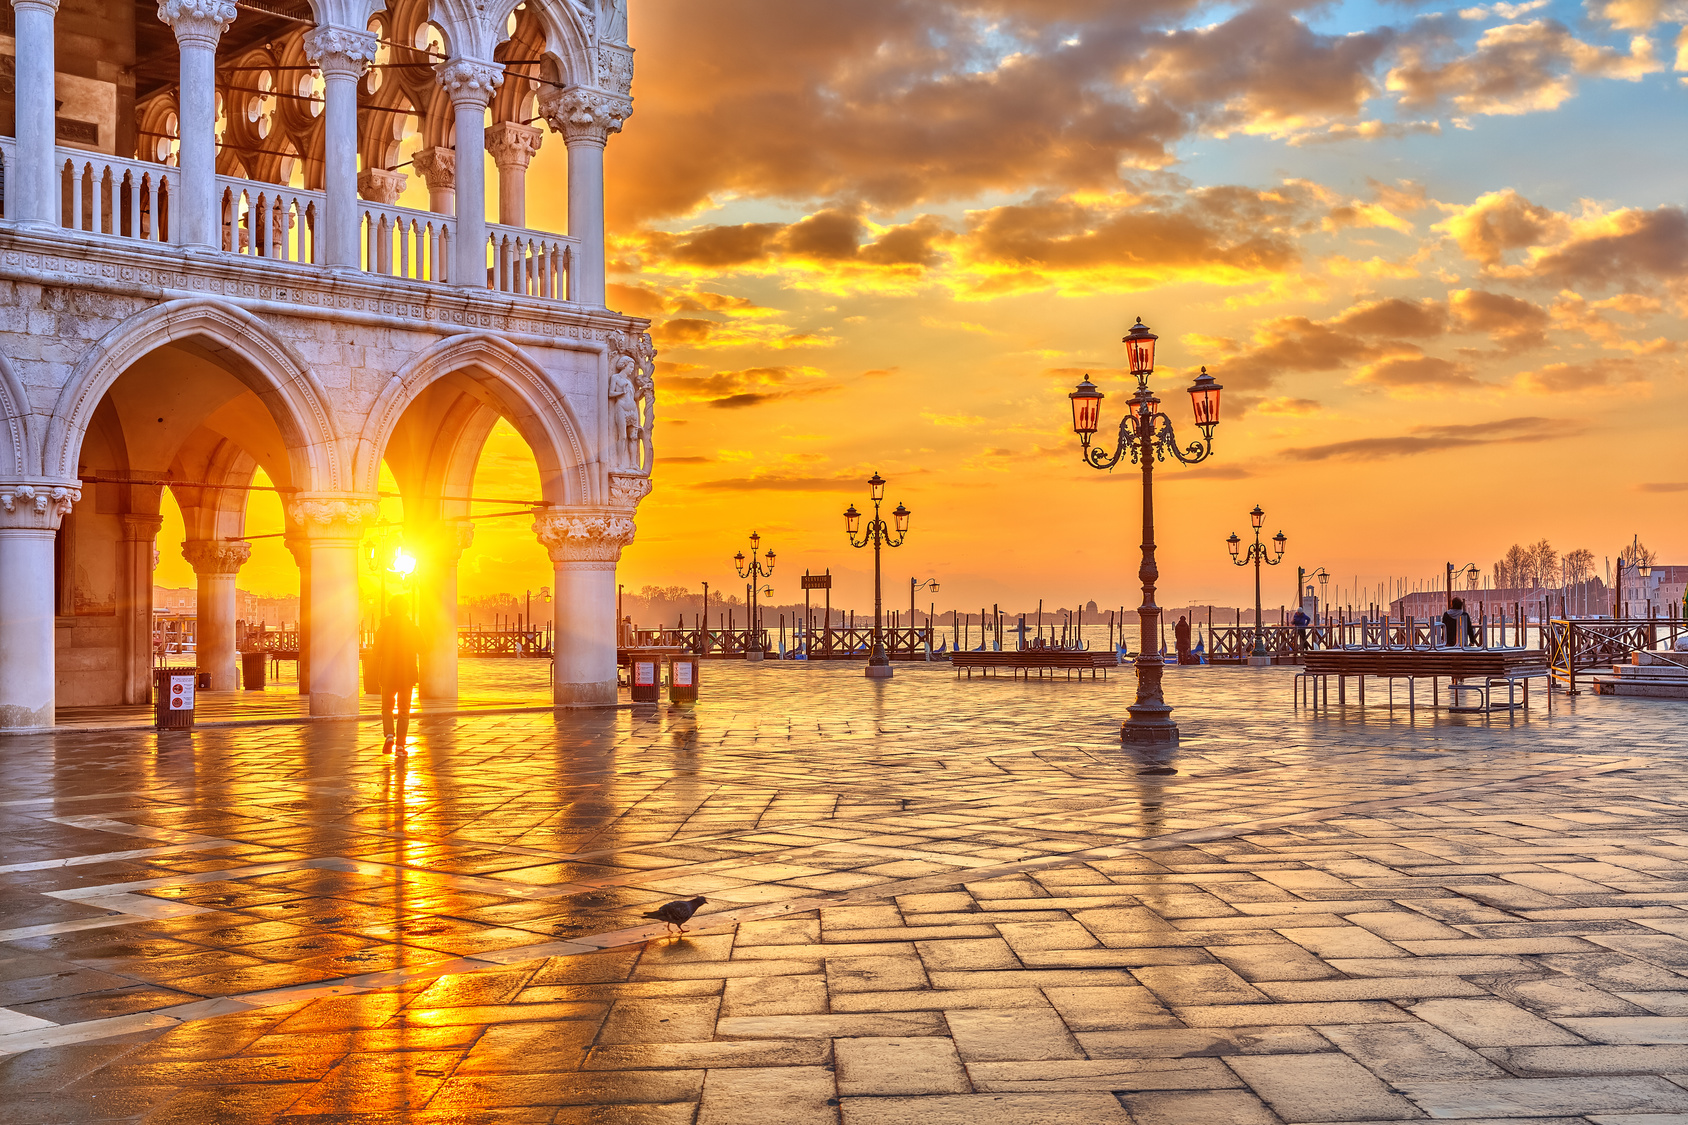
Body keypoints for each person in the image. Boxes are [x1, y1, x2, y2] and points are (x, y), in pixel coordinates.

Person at [373, 596, 420, 751]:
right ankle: (400, 745)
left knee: (387, 708)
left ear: (390, 609)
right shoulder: (412, 627)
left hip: (388, 674)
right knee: (404, 710)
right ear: (405, 609)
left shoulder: (383, 627)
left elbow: (376, 651)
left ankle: (389, 735)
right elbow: (424, 647)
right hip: (407, 674)